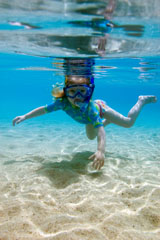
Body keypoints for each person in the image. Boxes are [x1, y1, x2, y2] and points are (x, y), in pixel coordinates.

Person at [12, 58, 157, 170]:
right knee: (90, 136)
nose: (78, 97)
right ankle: (110, 121)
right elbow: (43, 110)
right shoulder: (62, 103)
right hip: (87, 120)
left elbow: (101, 131)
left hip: (100, 109)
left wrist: (100, 151)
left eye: (83, 91)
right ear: (65, 93)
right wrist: (25, 116)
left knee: (128, 123)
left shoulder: (91, 110)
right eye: (73, 92)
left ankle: (141, 100)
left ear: (89, 92)